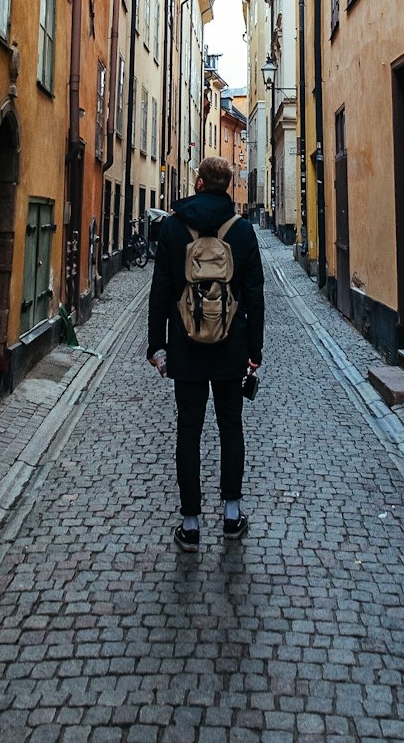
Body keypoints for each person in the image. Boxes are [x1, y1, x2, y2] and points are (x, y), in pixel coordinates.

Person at [147, 155, 264, 551]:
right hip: (232, 346)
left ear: (198, 183)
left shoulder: (174, 228)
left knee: (189, 431)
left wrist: (156, 345)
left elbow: (161, 289)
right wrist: (255, 350)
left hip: (186, 344)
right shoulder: (244, 231)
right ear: (229, 186)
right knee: (231, 427)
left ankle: (191, 523)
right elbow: (255, 295)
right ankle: (231, 515)